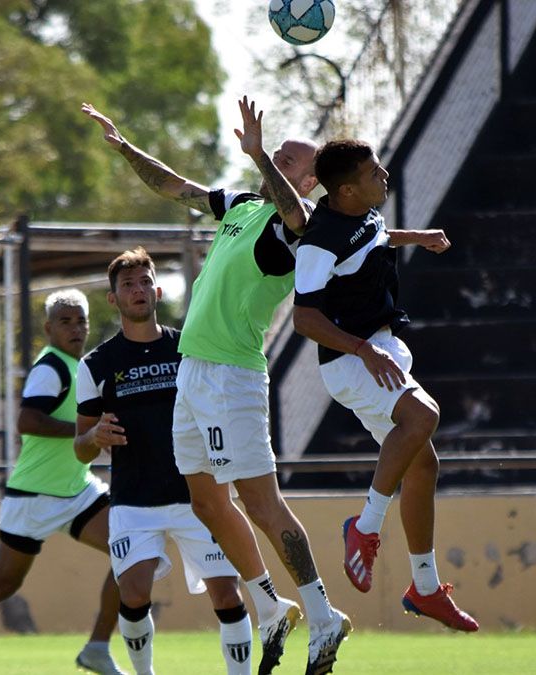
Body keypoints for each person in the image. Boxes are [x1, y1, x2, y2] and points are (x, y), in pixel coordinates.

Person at [84, 97, 351, 674]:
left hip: (232, 378)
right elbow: (177, 187)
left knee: (260, 502)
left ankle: (324, 613)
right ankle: (269, 605)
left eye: (287, 157)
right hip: (195, 374)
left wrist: (259, 156)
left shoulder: (296, 225)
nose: (274, 154)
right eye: (273, 151)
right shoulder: (242, 205)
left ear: (308, 180)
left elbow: (298, 218)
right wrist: (124, 146)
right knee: (206, 500)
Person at [291, 139, 479, 631]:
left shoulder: (362, 211)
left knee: (423, 466)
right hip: (352, 360)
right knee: (423, 416)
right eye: (375, 172)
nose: (385, 176)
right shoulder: (319, 238)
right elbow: (304, 317)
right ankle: (366, 525)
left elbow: (373, 238)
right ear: (347, 189)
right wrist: (363, 350)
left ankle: (425, 587)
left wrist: (415, 237)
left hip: (379, 349)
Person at [0, 290, 125, 675]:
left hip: (77, 490)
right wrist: (86, 432)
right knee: (2, 584)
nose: (76, 328)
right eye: (65, 321)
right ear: (48, 328)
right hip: (33, 496)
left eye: (80, 320)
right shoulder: (50, 368)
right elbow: (27, 421)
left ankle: (97, 647)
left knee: (130, 549)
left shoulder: (80, 367)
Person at [75, 247, 252, 675]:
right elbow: (79, 448)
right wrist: (94, 436)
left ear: (156, 290)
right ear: (112, 299)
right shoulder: (96, 364)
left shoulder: (191, 347)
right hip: (134, 502)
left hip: (199, 497)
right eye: (126, 286)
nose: (136, 291)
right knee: (133, 592)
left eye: (143, 283)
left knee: (227, 594)